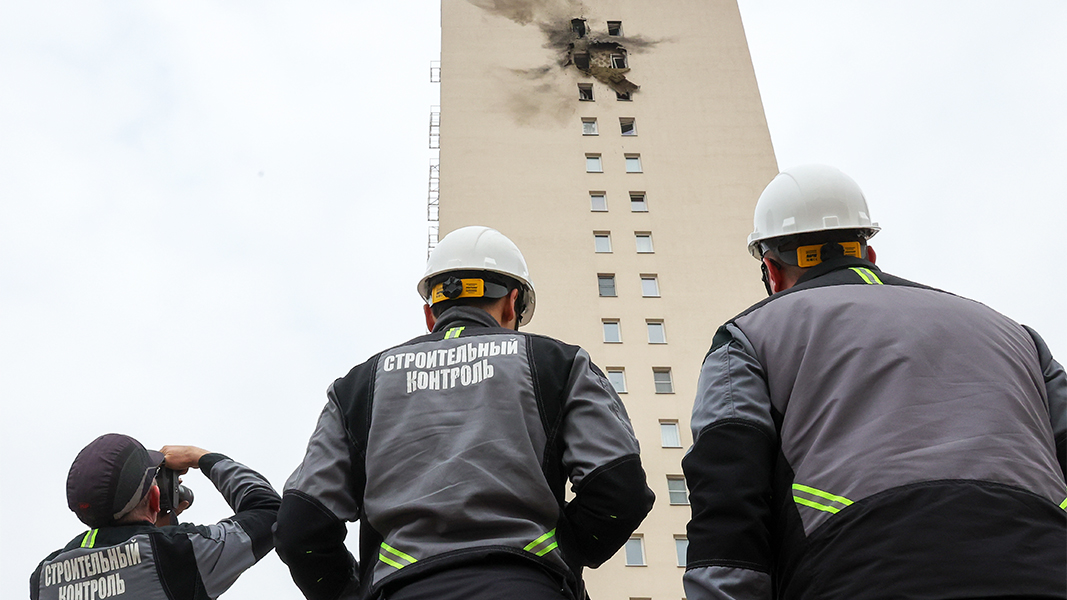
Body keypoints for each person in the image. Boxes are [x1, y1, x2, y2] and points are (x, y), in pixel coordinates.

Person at [682, 164, 1067, 599]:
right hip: (1045, 567)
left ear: (771, 270)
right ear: (868, 253)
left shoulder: (747, 338)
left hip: (858, 571)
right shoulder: (1016, 335)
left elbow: (728, 503)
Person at [275, 225, 655, 600]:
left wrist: (351, 592)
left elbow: (300, 528)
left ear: (430, 314)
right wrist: (561, 554)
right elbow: (620, 491)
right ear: (513, 303)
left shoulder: (357, 387)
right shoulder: (557, 364)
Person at [31, 433, 281, 600]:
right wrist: (201, 457)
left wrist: (155, 528)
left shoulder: (43, 577)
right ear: (154, 498)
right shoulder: (179, 553)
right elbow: (269, 511)